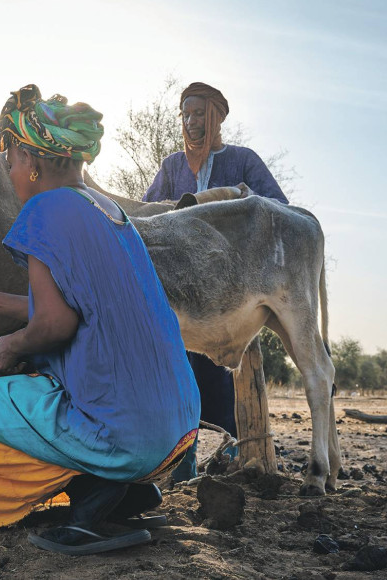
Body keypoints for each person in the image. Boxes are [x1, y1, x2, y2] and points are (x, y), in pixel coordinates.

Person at [0, 84, 200, 555]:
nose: (9, 171)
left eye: (10, 159)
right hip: (178, 431)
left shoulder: (43, 209)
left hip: (123, 434)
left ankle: (82, 497)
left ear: (33, 159)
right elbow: (84, 309)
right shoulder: (109, 212)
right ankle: (125, 490)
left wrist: (9, 346)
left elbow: (55, 325)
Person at [143, 82, 289, 482]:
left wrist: (235, 201)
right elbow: (147, 213)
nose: (192, 123)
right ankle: (183, 468)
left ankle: (240, 461)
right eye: (186, 114)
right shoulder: (173, 167)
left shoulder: (242, 160)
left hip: (230, 294)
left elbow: (277, 206)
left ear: (218, 117)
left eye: (200, 114)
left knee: (228, 381)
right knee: (180, 375)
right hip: (181, 294)